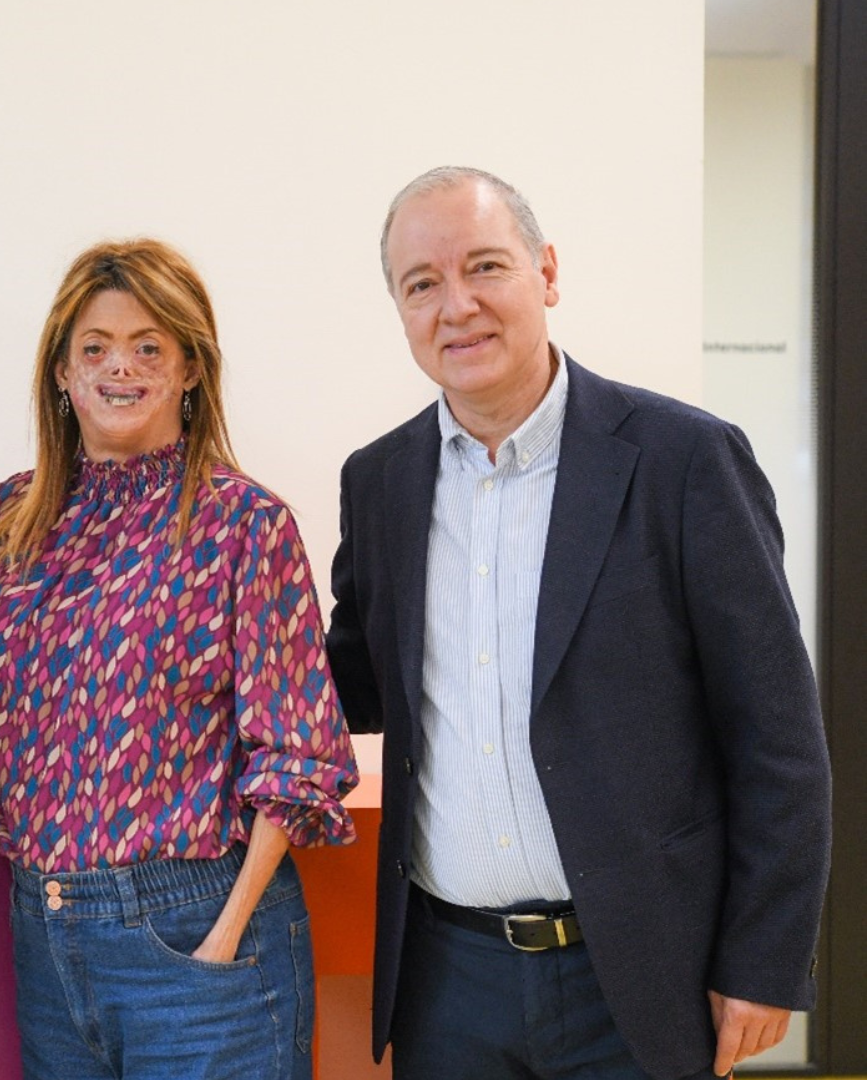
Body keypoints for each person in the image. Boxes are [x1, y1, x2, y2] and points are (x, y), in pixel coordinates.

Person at [327, 166, 832, 1080]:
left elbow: (780, 741)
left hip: (639, 975)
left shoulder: (684, 461)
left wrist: (763, 961)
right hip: (449, 983)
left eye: (486, 266)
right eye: (423, 284)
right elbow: (349, 684)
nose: (458, 306)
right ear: (400, 310)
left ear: (547, 273)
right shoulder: (380, 482)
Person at [0, 238, 358, 1080]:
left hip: (195, 933)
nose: (121, 367)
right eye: (95, 347)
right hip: (44, 925)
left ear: (190, 368)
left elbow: (302, 753)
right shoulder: (11, 518)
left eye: (150, 346)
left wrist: (222, 935)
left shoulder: (244, 524)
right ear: (62, 375)